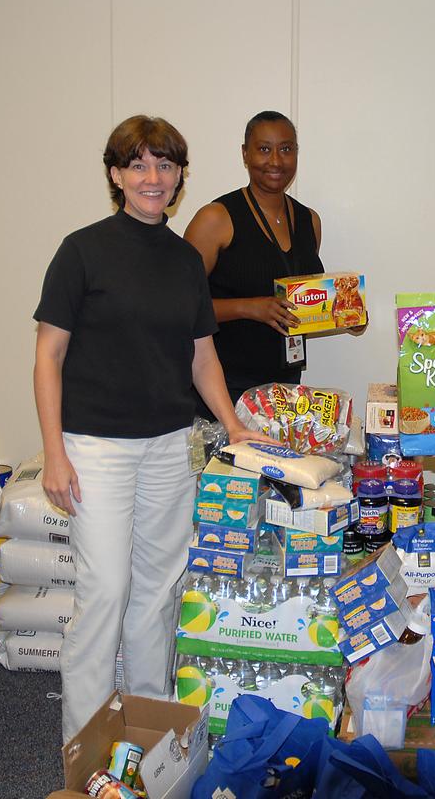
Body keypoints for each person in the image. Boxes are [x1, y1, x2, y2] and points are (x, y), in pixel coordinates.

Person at [34, 115, 270, 742]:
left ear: (179, 178)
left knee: (158, 593)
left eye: (165, 166)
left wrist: (235, 426)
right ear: (115, 175)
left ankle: (147, 730)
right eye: (138, 164)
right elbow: (47, 356)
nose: (153, 177)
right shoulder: (81, 249)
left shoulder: (184, 261)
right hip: (96, 449)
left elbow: (202, 356)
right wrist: (53, 454)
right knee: (105, 591)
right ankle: (82, 744)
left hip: (170, 445)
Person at [184, 110, 324, 408]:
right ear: (245, 154)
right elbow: (178, 305)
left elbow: (303, 302)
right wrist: (250, 307)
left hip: (285, 389)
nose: (275, 161)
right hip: (221, 388)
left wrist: (341, 313)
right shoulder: (216, 218)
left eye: (286, 149)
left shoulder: (309, 220)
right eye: (264, 149)